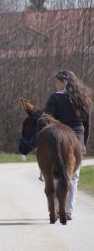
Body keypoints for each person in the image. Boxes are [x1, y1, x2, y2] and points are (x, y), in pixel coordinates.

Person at [44, 69, 92, 220]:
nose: (56, 86)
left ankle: (58, 208)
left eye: (57, 83)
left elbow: (47, 121)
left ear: (63, 82)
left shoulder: (55, 98)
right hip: (77, 139)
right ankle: (68, 210)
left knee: (56, 175)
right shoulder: (82, 97)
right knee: (73, 177)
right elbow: (87, 124)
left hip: (58, 139)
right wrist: (82, 144)